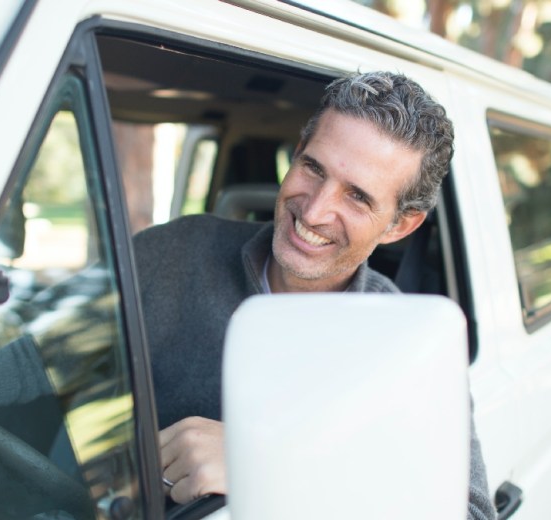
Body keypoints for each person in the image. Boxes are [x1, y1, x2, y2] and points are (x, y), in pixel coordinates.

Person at [134, 71, 496, 519]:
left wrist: (270, 466)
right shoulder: (170, 252)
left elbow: (471, 512)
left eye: (358, 197)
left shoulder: (410, 345)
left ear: (399, 225)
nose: (315, 209)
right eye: (313, 167)